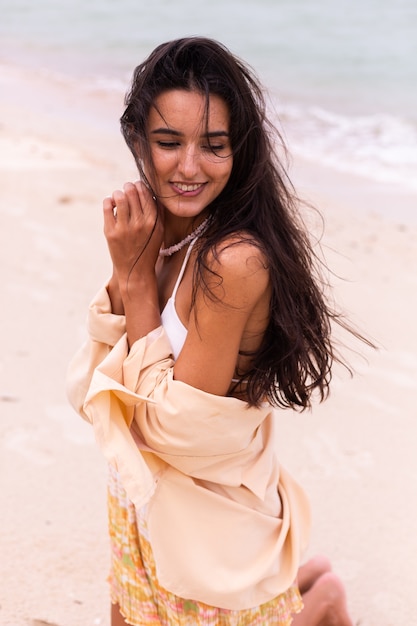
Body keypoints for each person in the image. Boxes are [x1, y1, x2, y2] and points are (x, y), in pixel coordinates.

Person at [67, 37, 360, 625]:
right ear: (137, 142)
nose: (190, 167)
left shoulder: (233, 260)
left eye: (215, 146)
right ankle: (309, 579)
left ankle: (321, 599)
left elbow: (176, 431)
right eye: (168, 143)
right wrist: (133, 268)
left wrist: (137, 280)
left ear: (239, 151)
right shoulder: (159, 229)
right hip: (141, 494)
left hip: (208, 522)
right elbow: (95, 390)